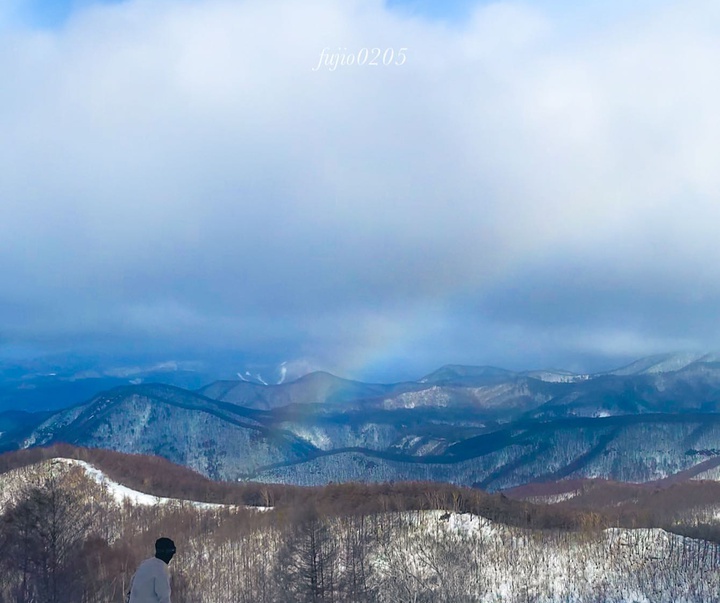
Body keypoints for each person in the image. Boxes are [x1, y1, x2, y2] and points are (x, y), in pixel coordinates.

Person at [127, 537, 176, 603]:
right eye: (172, 553)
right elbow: (164, 598)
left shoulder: (144, 565)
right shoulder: (161, 569)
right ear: (167, 553)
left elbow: (131, 589)